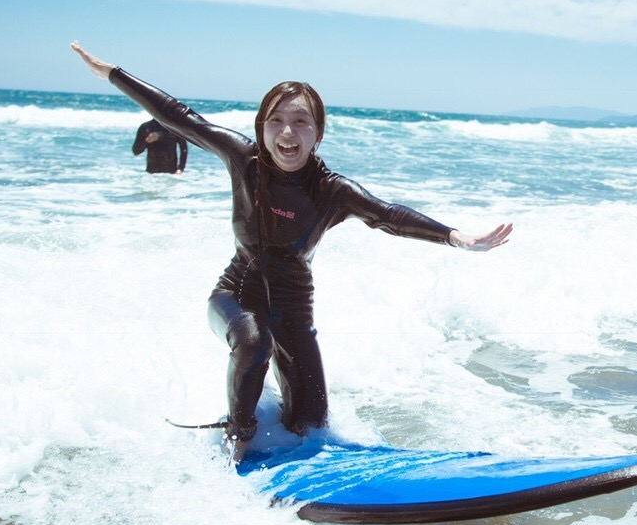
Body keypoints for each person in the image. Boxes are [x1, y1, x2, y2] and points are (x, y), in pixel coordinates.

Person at [70, 41, 512, 462]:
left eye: (301, 121)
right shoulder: (242, 158)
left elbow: (387, 214)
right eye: (277, 120)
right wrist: (113, 74)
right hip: (236, 294)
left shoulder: (330, 190)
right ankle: (237, 439)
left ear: (318, 133)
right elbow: (179, 117)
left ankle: (268, 413)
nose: (288, 132)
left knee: (311, 421)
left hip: (294, 310)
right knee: (253, 342)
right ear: (262, 127)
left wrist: (457, 236)